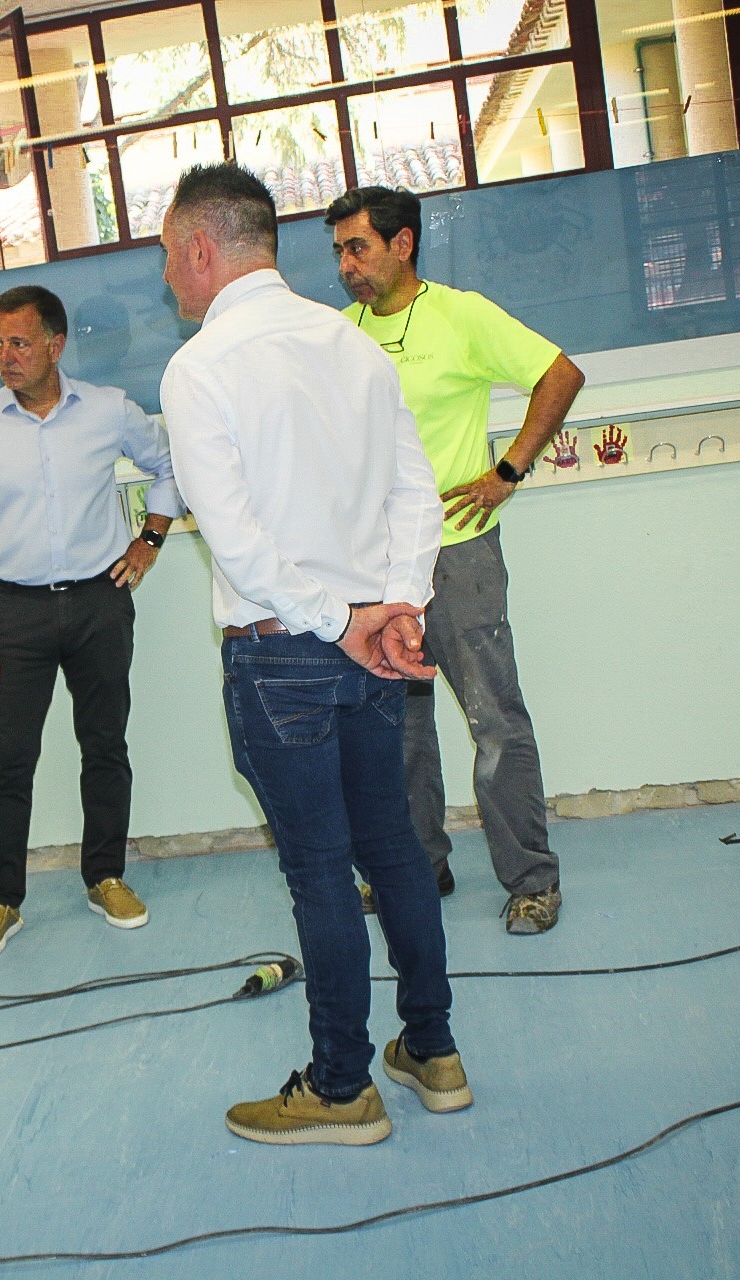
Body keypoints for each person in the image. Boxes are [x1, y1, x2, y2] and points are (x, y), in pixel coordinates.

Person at [158, 165, 470, 1145]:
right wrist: (397, 606)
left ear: (202, 248)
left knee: (322, 872)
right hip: (370, 644)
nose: (167, 277)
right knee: (393, 847)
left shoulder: (199, 369)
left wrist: (342, 621)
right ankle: (434, 1051)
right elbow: (417, 496)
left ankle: (340, 1088)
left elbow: (239, 543)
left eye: (169, 256)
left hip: (287, 653)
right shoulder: (355, 344)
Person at [327, 186, 585, 935]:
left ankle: (532, 880)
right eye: (339, 252)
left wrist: (507, 471)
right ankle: (419, 868)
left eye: (358, 248)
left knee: (494, 719)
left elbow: (560, 374)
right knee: (397, 729)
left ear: (402, 243)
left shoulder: (460, 315)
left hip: (458, 550)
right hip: (376, 564)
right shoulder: (339, 335)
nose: (346, 266)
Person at [0, 284, 181, 961]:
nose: (6, 356)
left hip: (100, 601)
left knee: (104, 744)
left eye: (19, 342)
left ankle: (105, 877)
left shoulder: (107, 411)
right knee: (7, 760)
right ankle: (0, 901)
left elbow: (171, 464)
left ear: (55, 344)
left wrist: (150, 540)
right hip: (12, 613)